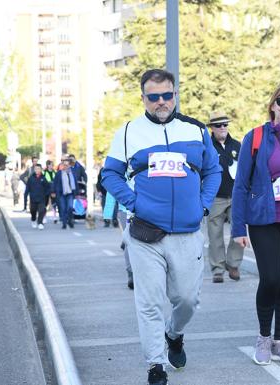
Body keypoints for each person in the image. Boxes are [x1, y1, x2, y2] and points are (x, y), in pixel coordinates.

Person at [101, 68, 221, 385]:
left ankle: (175, 334)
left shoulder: (195, 131)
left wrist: (204, 204)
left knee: (186, 299)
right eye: (153, 97)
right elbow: (109, 174)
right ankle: (156, 365)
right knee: (150, 302)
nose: (161, 102)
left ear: (174, 94)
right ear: (143, 98)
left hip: (187, 233)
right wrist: (135, 203)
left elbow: (214, 172)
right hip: (145, 234)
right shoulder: (128, 132)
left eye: (166, 95)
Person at [232, 85, 280, 366]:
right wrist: (238, 228)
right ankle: (264, 337)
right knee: (272, 278)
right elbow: (240, 184)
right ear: (273, 105)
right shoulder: (255, 137)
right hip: (264, 218)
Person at [207, 110, 244, 283]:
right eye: (218, 125)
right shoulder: (206, 147)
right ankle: (217, 269)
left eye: (224, 124)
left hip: (236, 196)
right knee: (215, 234)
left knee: (239, 229)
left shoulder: (237, 146)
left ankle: (233, 264)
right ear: (212, 128)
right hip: (215, 197)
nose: (222, 128)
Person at [52, 156, 77, 229]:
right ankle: (64, 223)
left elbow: (75, 183)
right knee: (63, 208)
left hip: (70, 193)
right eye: (64, 165)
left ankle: (70, 221)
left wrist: (77, 193)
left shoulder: (72, 173)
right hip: (61, 194)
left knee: (70, 208)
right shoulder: (59, 173)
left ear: (69, 165)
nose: (66, 166)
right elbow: (55, 183)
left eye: (67, 165)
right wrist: (53, 191)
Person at [25, 164, 50, 229]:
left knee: (41, 210)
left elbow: (47, 187)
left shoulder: (43, 178)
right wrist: (26, 194)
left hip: (41, 198)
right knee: (33, 210)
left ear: (41, 170)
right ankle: (33, 219)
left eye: (38, 169)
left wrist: (46, 194)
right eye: (36, 169)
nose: (37, 170)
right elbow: (28, 188)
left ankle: (40, 223)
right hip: (33, 198)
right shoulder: (31, 178)